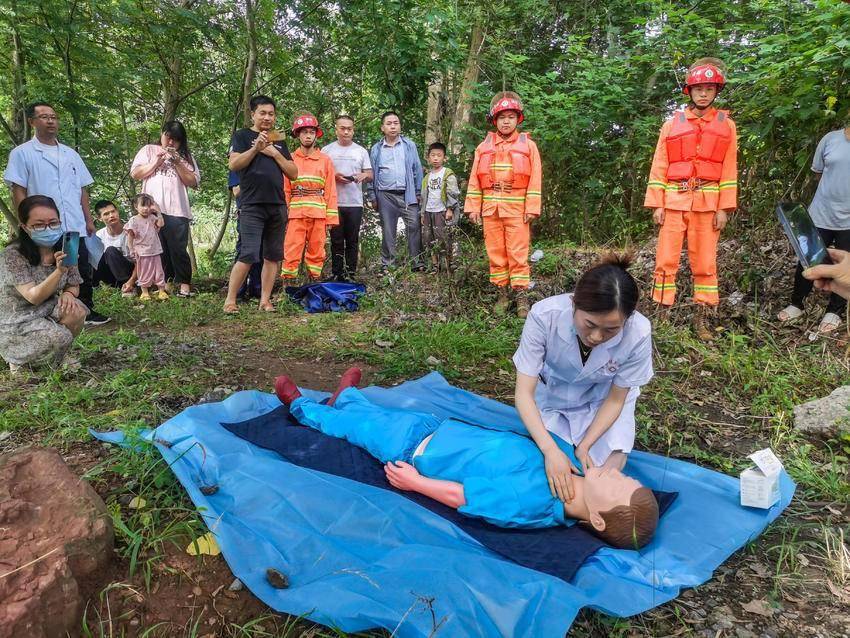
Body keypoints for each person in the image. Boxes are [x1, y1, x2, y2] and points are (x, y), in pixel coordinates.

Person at [274, 368, 659, 549]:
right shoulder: (574, 465)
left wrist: (418, 483)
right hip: (440, 428)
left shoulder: (535, 502)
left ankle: (303, 408)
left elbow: (465, 496)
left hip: (418, 451)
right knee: (379, 416)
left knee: (357, 431)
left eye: (618, 486)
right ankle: (348, 398)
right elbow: (536, 433)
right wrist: (570, 451)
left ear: (595, 517)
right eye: (626, 477)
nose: (616, 475)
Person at [513, 255, 653, 505]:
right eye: (590, 324)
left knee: (605, 471)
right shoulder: (545, 316)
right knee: (552, 466)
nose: (597, 337)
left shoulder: (639, 333)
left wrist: (586, 444)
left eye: (611, 330)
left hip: (602, 400)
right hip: (553, 394)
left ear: (627, 320)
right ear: (574, 303)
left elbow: (615, 399)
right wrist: (549, 450)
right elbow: (524, 393)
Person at [644, 58, 738, 340]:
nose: (703, 94)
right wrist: (657, 203)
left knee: (706, 263)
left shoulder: (726, 126)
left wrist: (724, 207)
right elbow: (659, 164)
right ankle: (662, 314)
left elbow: (729, 168)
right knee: (665, 260)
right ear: (689, 90)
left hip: (708, 204)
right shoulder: (671, 124)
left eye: (709, 88)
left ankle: (703, 318)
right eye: (698, 88)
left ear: (716, 91)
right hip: (674, 200)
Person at [3, 101, 109, 325]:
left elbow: (82, 189)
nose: (50, 120)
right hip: (45, 225)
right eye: (44, 117)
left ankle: (86, 309)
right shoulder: (22, 154)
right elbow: (18, 189)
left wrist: (89, 219)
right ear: (32, 122)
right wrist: (26, 220)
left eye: (53, 116)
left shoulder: (70, 154)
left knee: (80, 265)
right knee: (45, 267)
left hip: (73, 222)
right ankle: (45, 312)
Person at [464, 91, 543, 318]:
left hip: (518, 210)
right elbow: (474, 179)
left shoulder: (528, 146)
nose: (506, 121)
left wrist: (532, 207)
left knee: (518, 253)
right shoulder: (483, 147)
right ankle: (502, 293)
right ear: (494, 120)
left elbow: (536, 177)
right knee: (496, 253)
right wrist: (473, 208)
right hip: (491, 210)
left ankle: (521, 298)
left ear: (518, 119)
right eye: (501, 117)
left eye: (510, 116)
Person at [224, 95, 298, 313]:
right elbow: (234, 164)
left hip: (277, 205)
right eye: (263, 113)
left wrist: (274, 153)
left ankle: (265, 300)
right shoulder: (242, 136)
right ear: (253, 114)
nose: (267, 117)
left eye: (271, 113)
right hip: (251, 205)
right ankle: (230, 300)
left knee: (272, 256)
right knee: (247, 254)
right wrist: (255, 148)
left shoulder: (279, 140)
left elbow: (294, 173)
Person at [0, 195, 88, 372]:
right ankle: (19, 360)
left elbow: (73, 283)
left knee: (77, 310)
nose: (48, 229)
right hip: (17, 319)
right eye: (39, 225)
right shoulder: (13, 255)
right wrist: (59, 271)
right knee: (59, 336)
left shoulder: (65, 247)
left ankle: (58, 355)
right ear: (25, 227)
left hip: (47, 309)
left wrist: (68, 294)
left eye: (53, 223)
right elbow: (33, 296)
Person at [778, 126, 850, 333]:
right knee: (808, 259)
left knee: (845, 263)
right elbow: (818, 172)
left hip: (849, 221)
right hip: (821, 213)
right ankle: (796, 303)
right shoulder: (830, 139)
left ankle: (835, 311)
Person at [130, 121, 200, 298]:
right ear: (162, 134)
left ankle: (184, 284)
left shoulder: (186, 157)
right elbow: (136, 173)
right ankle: (164, 285)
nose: (170, 143)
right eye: (168, 137)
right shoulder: (148, 150)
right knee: (156, 248)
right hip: (150, 211)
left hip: (178, 210)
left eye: (176, 140)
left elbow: (193, 182)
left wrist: (177, 162)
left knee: (178, 248)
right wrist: (156, 162)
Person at [281, 113, 338, 281]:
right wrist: (284, 214)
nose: (308, 135)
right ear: (298, 134)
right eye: (304, 132)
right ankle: (288, 286)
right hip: (295, 214)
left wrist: (331, 218)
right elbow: (284, 189)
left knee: (317, 250)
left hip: (318, 214)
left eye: (311, 132)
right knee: (291, 249)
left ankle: (314, 281)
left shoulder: (325, 160)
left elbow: (330, 190)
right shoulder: (289, 159)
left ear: (316, 135)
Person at [368, 112, 425, 273]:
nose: (393, 126)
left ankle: (416, 262)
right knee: (388, 229)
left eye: (396, 123)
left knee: (414, 225)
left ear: (400, 126)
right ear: (382, 127)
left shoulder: (409, 145)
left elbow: (417, 169)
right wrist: (372, 195)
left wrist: (418, 191)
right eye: (389, 123)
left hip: (408, 193)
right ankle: (388, 264)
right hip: (385, 194)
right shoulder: (377, 149)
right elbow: (372, 172)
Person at [323, 115, 373, 281]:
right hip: (333, 202)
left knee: (352, 239)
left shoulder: (360, 151)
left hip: (354, 203)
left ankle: (351, 273)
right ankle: (337, 273)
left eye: (349, 129)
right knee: (336, 240)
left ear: (353, 130)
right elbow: (321, 174)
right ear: (336, 129)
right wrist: (334, 176)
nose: (346, 132)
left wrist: (362, 175)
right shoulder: (327, 150)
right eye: (342, 128)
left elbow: (370, 174)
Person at [420, 142, 460, 272]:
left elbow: (453, 192)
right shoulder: (427, 177)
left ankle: (450, 263)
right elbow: (423, 196)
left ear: (444, 158)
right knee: (429, 238)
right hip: (429, 211)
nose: (436, 158)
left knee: (445, 237)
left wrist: (450, 209)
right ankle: (435, 265)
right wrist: (422, 213)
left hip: (442, 210)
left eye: (439, 155)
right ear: (428, 158)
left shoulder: (447, 173)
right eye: (433, 155)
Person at [125, 194, 168, 301]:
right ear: (136, 207)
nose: (145, 209)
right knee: (143, 271)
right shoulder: (133, 220)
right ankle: (145, 292)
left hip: (155, 250)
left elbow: (161, 224)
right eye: (143, 205)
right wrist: (131, 249)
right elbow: (130, 236)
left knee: (159, 271)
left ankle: (161, 290)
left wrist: (158, 212)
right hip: (142, 251)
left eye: (148, 206)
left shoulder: (153, 218)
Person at [228, 171, 262, 300]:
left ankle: (257, 289)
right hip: (246, 213)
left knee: (260, 253)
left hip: (264, 213)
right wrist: (255, 176)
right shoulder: (238, 168)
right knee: (244, 252)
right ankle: (238, 292)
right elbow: (236, 191)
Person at [93, 199, 136, 295]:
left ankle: (129, 287)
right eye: (106, 214)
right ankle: (93, 287)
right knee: (93, 255)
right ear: (99, 218)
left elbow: (140, 262)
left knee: (110, 250)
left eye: (113, 211)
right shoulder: (99, 235)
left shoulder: (131, 231)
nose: (111, 216)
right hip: (111, 275)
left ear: (117, 211)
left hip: (131, 273)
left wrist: (131, 281)